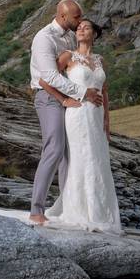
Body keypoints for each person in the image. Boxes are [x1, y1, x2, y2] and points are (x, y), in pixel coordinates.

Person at [38, 18, 122, 234]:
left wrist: (107, 120)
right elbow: (45, 80)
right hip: (77, 114)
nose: (81, 30)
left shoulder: (99, 60)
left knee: (99, 160)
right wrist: (63, 100)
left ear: (95, 33)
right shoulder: (67, 56)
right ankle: (81, 212)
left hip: (96, 116)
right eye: (79, 28)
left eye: (86, 27)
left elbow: (103, 91)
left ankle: (100, 212)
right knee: (81, 158)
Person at [28, 0, 104, 226]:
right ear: (62, 17)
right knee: (55, 149)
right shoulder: (44, 38)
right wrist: (82, 93)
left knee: (71, 155)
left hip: (70, 100)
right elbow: (49, 77)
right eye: (76, 17)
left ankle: (69, 208)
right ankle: (36, 210)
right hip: (48, 97)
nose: (80, 21)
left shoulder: (71, 35)